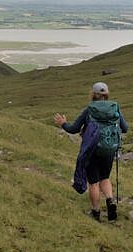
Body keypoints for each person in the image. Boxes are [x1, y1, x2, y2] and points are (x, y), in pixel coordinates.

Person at [53, 82, 128, 222]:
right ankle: (110, 201)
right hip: (110, 149)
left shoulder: (89, 109)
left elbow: (74, 129)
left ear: (93, 94)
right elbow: (125, 128)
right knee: (105, 178)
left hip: (92, 149)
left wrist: (63, 123)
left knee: (93, 182)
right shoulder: (115, 107)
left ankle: (96, 212)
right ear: (106, 94)